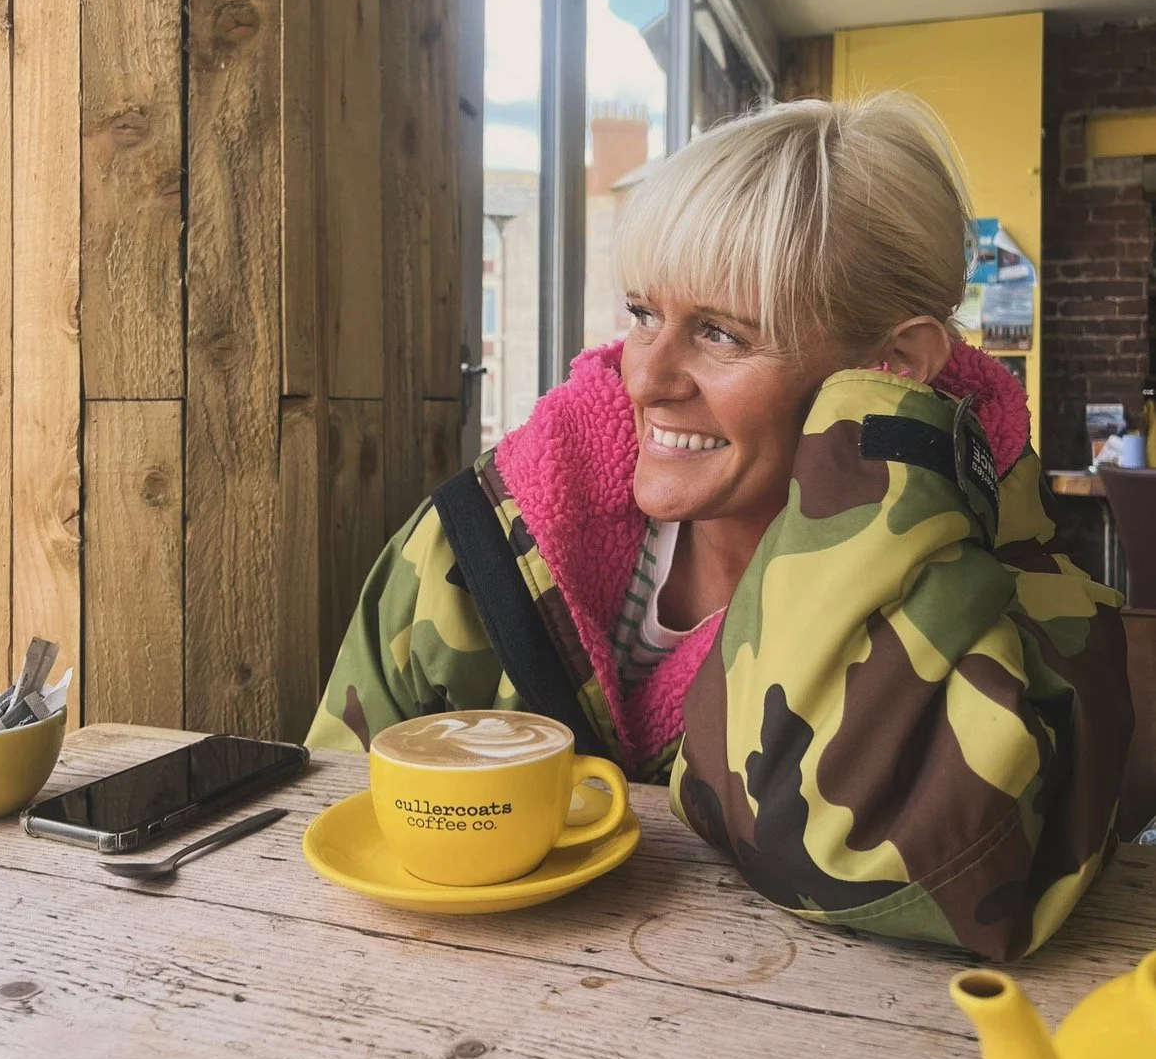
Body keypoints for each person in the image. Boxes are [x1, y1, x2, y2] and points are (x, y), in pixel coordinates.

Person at [307, 95, 1131, 961]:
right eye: (641, 315)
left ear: (891, 368)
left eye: (720, 334)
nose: (648, 378)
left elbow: (947, 875)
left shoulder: (1014, 594)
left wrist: (882, 456)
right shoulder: (479, 541)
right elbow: (330, 812)